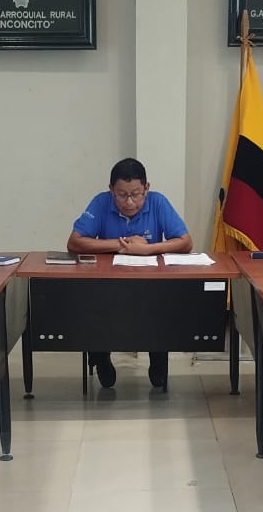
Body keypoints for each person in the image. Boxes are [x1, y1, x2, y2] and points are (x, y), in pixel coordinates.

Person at [66, 157, 193, 389]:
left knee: (161, 306)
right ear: (111, 190)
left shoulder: (158, 202)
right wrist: (120, 244)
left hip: (150, 285)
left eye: (136, 194)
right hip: (108, 285)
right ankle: (101, 356)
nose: (130, 202)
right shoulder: (101, 202)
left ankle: (157, 358)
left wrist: (147, 249)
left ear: (146, 188)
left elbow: (185, 242)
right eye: (122, 195)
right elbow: (74, 242)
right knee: (93, 304)